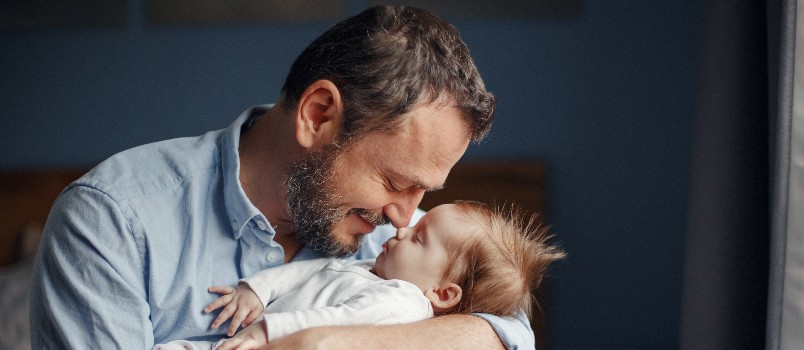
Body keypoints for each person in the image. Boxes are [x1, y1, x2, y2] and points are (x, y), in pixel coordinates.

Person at [29, 5, 533, 349]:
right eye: (396, 182)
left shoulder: (406, 246)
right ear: (317, 116)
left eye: (423, 192)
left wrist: (331, 341)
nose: (405, 216)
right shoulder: (111, 221)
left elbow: (508, 332)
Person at [154, 202, 565, 350]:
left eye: (419, 238)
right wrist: (256, 289)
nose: (402, 225)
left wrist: (265, 330)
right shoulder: (372, 269)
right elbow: (303, 273)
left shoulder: (401, 302)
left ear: (441, 292)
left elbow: (329, 327)